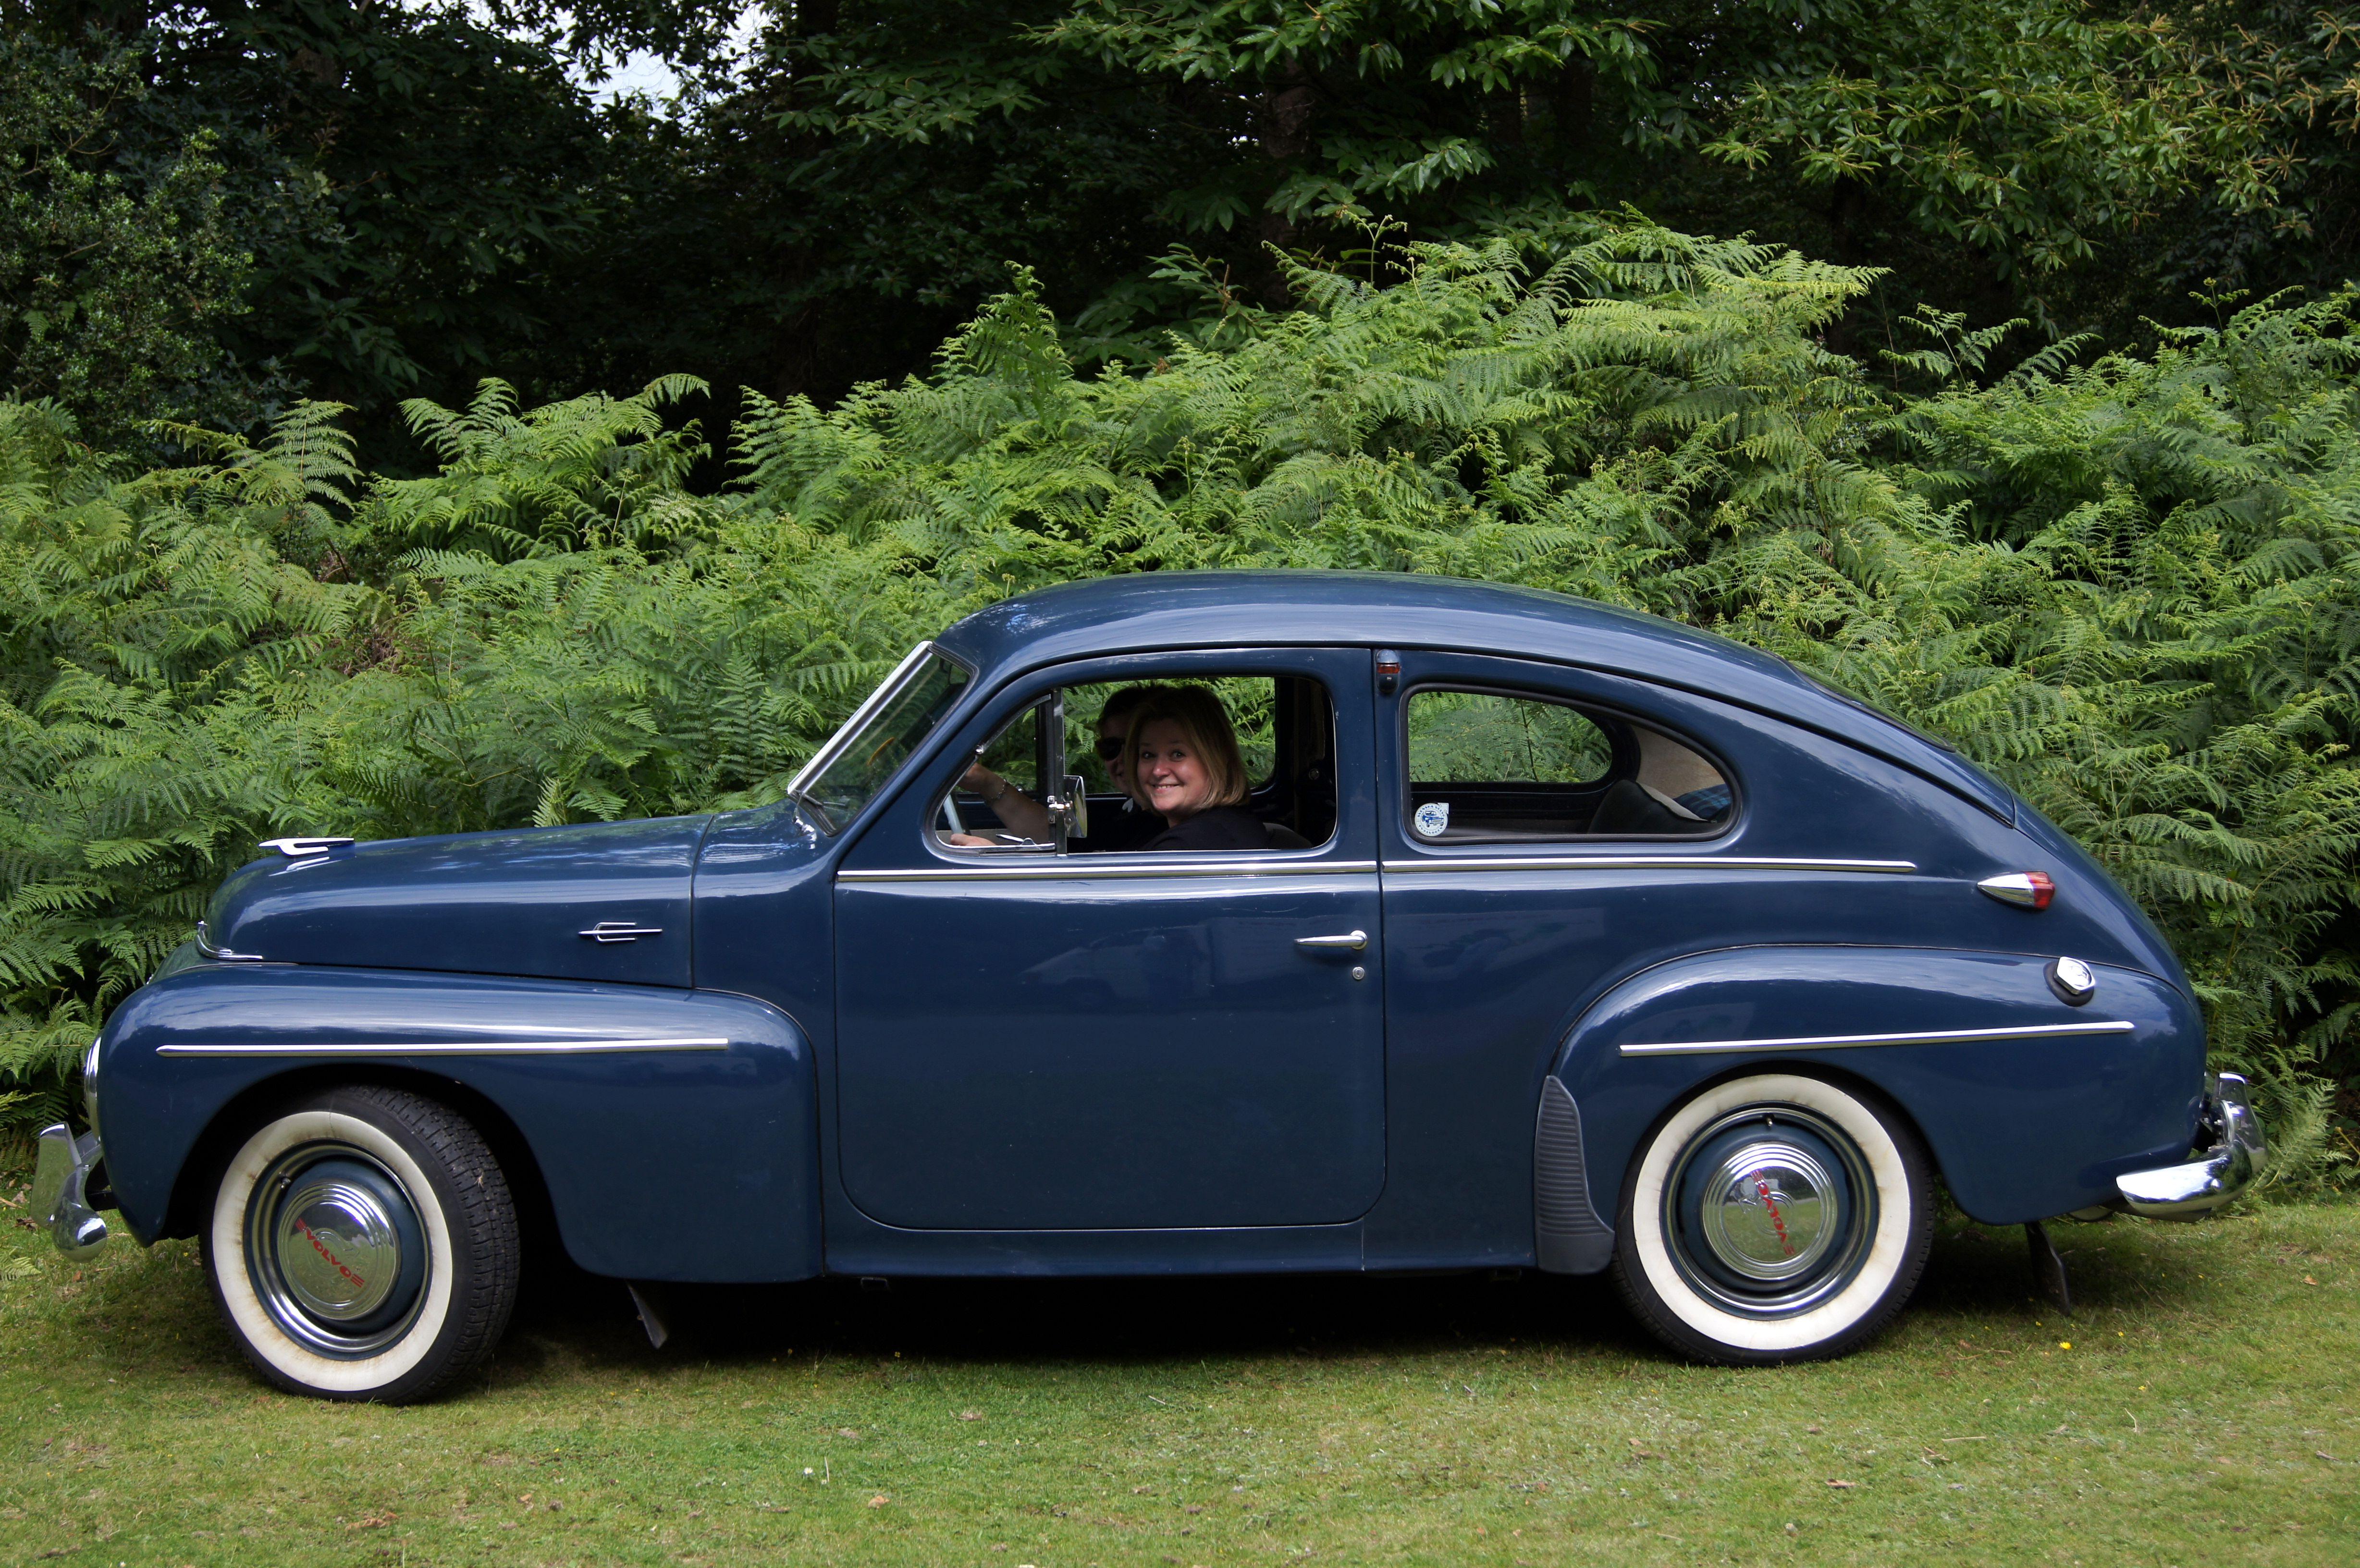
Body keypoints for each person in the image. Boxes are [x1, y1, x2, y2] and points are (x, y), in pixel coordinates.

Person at [952, 685, 1166, 850]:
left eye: (1138, 748)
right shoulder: (1134, 813)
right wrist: (986, 782)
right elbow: (1061, 839)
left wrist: (996, 862)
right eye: (1110, 748)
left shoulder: (1167, 829)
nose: (1123, 758)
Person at [1124, 686, 1268, 852]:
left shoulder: (1183, 847)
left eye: (1178, 754)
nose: (1158, 771)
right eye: (1148, 755)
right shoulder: (1230, 824)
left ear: (1216, 759)